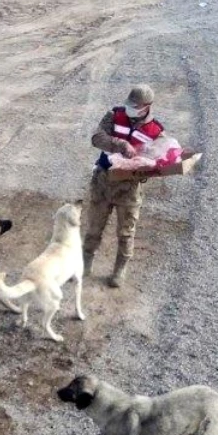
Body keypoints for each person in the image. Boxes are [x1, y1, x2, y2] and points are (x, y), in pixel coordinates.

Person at [83, 85, 166, 288]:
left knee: (126, 232)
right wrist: (120, 144)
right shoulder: (114, 115)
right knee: (94, 227)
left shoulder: (156, 131)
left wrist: (152, 162)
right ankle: (85, 263)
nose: (129, 108)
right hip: (103, 181)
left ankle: (119, 270)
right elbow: (96, 138)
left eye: (135, 106)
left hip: (128, 189)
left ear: (146, 107)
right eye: (129, 104)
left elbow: (162, 158)